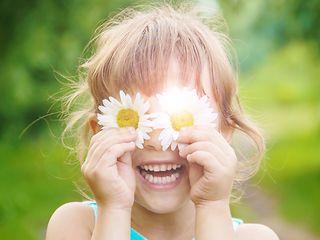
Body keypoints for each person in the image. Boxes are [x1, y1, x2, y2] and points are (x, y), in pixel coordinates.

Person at [46, 4, 279, 240]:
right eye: (136, 119)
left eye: (180, 118)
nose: (157, 141)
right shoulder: (77, 226)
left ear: (224, 131)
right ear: (99, 132)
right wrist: (114, 209)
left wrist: (213, 206)